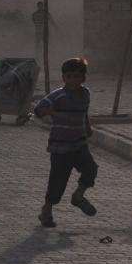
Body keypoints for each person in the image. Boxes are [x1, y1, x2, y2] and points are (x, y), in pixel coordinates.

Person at [32, 57, 97, 228]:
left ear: (83, 78)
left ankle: (78, 196)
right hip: (60, 146)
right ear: (63, 78)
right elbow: (38, 109)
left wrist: (87, 127)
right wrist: (54, 113)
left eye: (77, 77)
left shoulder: (85, 94)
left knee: (91, 169)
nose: (73, 80)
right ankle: (46, 210)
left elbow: (84, 112)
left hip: (79, 143)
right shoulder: (57, 95)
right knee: (57, 180)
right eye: (69, 76)